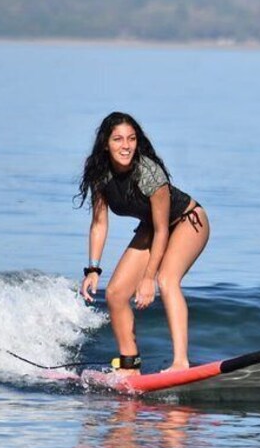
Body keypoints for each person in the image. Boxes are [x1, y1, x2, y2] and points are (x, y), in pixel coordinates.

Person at [77, 112, 210, 375]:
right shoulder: (100, 175)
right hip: (152, 228)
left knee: (166, 280)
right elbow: (99, 224)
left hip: (187, 221)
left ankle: (181, 363)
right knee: (115, 293)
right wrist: (93, 269)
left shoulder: (149, 173)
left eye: (131, 139)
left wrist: (148, 277)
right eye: (118, 139)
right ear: (106, 143)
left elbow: (163, 230)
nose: (125, 145)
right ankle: (130, 365)